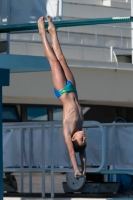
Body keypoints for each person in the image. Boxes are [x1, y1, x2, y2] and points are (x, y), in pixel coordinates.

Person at [38, 16, 87, 178]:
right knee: (62, 59)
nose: (83, 136)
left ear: (73, 138)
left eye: (81, 139)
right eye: (84, 138)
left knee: (53, 61)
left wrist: (76, 170)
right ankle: (53, 32)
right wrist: (84, 169)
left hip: (62, 90)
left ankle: (42, 34)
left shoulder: (67, 130)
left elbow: (72, 153)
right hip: (72, 87)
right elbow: (82, 153)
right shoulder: (80, 125)